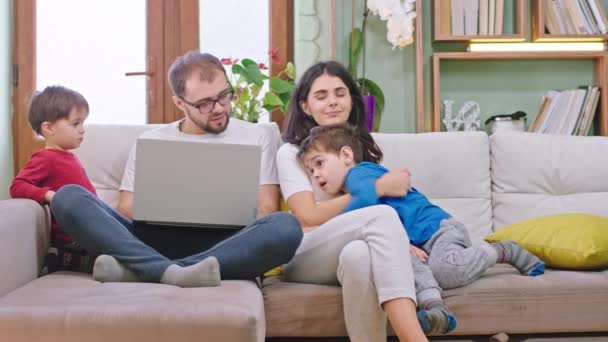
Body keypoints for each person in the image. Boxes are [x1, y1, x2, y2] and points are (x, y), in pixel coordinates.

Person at [49, 51, 303, 287]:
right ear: (179, 103)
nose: (218, 108)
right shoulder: (152, 139)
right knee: (68, 197)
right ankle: (174, 271)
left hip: (227, 244)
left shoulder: (258, 136)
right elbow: (126, 208)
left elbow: (266, 208)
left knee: (286, 228)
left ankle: (150, 271)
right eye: (204, 103)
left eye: (224, 96)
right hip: (153, 241)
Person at [296, 123, 547, 335]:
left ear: (346, 155)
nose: (316, 175)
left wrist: (325, 226)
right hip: (413, 244)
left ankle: (503, 251)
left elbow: (365, 210)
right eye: (310, 171)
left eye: (319, 163)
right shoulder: (348, 192)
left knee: (447, 271)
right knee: (403, 266)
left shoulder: (360, 175)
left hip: (437, 230)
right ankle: (436, 309)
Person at [277, 60, 428, 342]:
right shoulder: (291, 152)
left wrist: (397, 242)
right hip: (306, 252)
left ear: (351, 100)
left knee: (358, 255)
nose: (333, 102)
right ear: (305, 107)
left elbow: (368, 218)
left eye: (340, 93)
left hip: (352, 246)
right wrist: (378, 188)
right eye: (321, 96)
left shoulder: (361, 150)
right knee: (381, 217)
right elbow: (308, 215)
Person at [10, 86, 96, 274]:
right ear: (48, 128)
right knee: (110, 257)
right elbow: (17, 186)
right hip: (74, 236)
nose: (82, 130)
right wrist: (49, 195)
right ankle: (62, 259)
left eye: (82, 123)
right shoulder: (46, 158)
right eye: (75, 124)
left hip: (89, 229)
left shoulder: (69, 157)